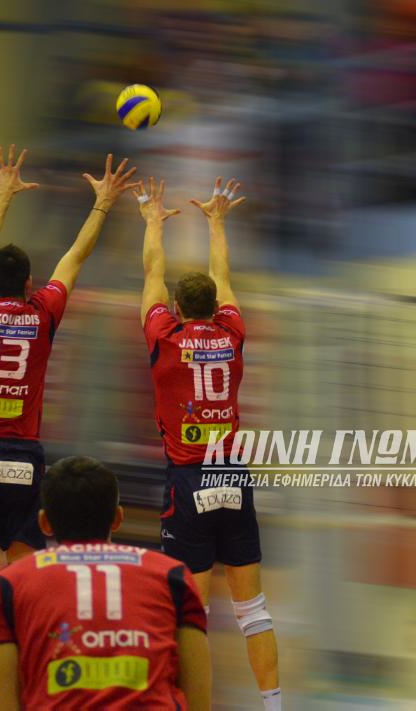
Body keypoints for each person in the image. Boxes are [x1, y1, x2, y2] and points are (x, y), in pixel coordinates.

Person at [0, 146, 139, 710]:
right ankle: (35, 676)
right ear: (30, 282)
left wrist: (2, 195)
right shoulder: (42, 315)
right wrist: (102, 204)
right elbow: (74, 259)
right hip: (26, 460)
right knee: (26, 581)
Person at [133, 176, 282, 709]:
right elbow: (223, 276)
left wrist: (153, 220)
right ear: (217, 307)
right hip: (232, 476)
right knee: (253, 611)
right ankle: (274, 705)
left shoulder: (164, 337)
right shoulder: (233, 334)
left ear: (176, 307)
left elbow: (152, 273)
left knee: (191, 617)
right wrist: (217, 221)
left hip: (188, 482)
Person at [0, 456, 212, 710]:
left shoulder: (9, 584)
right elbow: (199, 700)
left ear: (44, 523)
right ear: (117, 517)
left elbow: (5, 702)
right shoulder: (172, 576)